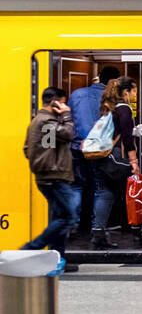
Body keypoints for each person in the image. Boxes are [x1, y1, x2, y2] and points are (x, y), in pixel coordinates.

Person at [21, 87, 80, 272]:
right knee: (68, 217)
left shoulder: (44, 121)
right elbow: (68, 135)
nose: (66, 106)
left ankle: (57, 259)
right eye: (63, 102)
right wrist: (67, 116)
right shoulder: (46, 121)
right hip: (53, 177)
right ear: (55, 102)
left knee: (60, 217)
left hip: (51, 174)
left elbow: (31, 148)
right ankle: (29, 251)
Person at [91, 77, 142, 249]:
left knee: (105, 193)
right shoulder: (125, 109)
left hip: (100, 157)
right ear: (125, 92)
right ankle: (137, 234)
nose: (134, 95)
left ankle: (98, 234)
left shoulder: (107, 108)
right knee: (135, 193)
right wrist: (134, 162)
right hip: (116, 158)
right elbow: (127, 138)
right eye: (133, 91)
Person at [68, 65, 120, 235]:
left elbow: (68, 120)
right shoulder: (111, 98)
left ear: (99, 76)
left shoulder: (76, 94)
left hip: (77, 148)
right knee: (101, 188)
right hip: (100, 150)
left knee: (76, 186)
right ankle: (97, 226)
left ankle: (73, 225)